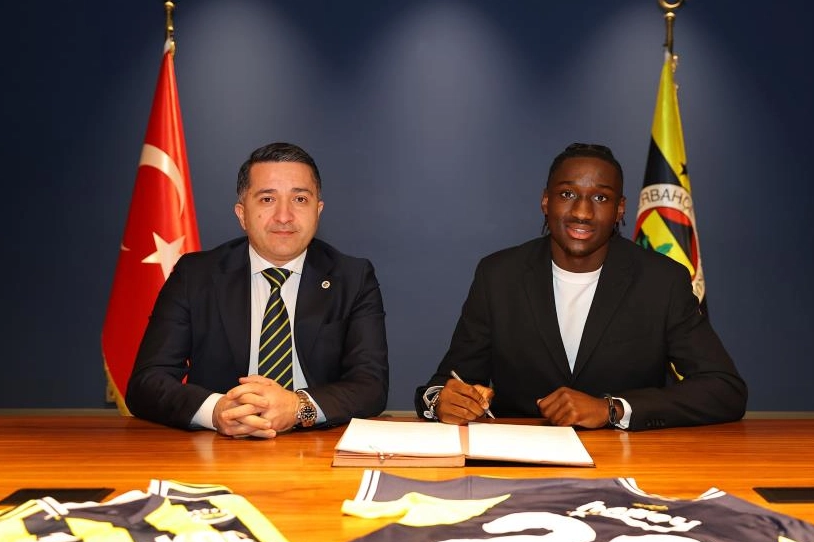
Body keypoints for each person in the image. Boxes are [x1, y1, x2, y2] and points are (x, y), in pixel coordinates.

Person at [415, 142, 746, 431]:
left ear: (619, 209)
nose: (582, 212)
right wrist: (441, 401)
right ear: (546, 201)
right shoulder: (499, 275)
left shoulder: (662, 281)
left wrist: (611, 409)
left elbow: (724, 389)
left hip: (629, 460)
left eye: (600, 197)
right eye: (567, 194)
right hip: (519, 461)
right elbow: (447, 382)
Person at [127, 142, 388, 437]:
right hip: (219, 445)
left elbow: (371, 386)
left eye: (300, 199)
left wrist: (298, 407)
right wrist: (216, 411)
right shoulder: (195, 275)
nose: (284, 216)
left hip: (316, 444)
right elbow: (147, 382)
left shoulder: (352, 278)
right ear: (242, 214)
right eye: (267, 199)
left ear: (318, 210)